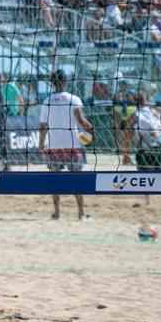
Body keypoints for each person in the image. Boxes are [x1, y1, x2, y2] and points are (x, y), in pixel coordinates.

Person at [38, 70, 94, 221]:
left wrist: (41, 145)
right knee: (76, 180)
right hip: (72, 146)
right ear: (65, 82)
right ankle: (81, 213)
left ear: (52, 83)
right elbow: (82, 121)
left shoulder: (47, 101)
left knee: (55, 181)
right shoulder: (73, 99)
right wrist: (93, 130)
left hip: (54, 146)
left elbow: (43, 127)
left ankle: (57, 213)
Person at [133, 90, 161, 171]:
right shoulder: (153, 111)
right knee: (158, 172)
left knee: (143, 171)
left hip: (145, 148)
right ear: (145, 101)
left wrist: (135, 145)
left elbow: (138, 135)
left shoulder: (137, 114)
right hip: (158, 146)